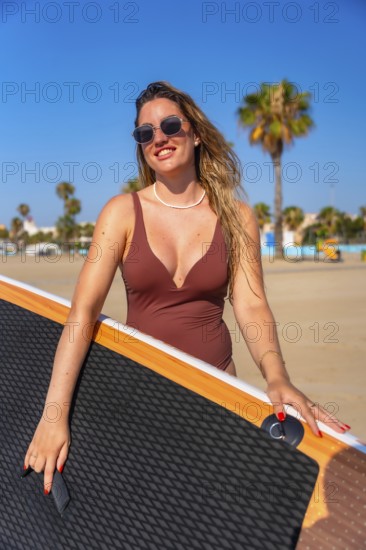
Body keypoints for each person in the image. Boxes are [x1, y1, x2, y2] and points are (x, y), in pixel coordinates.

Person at [24, 81, 350, 494]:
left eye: (170, 125)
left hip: (215, 393)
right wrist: (54, 416)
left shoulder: (236, 216)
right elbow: (82, 315)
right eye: (145, 133)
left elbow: (251, 304)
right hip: (143, 392)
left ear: (195, 133)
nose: (158, 138)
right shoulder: (122, 213)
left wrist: (277, 376)